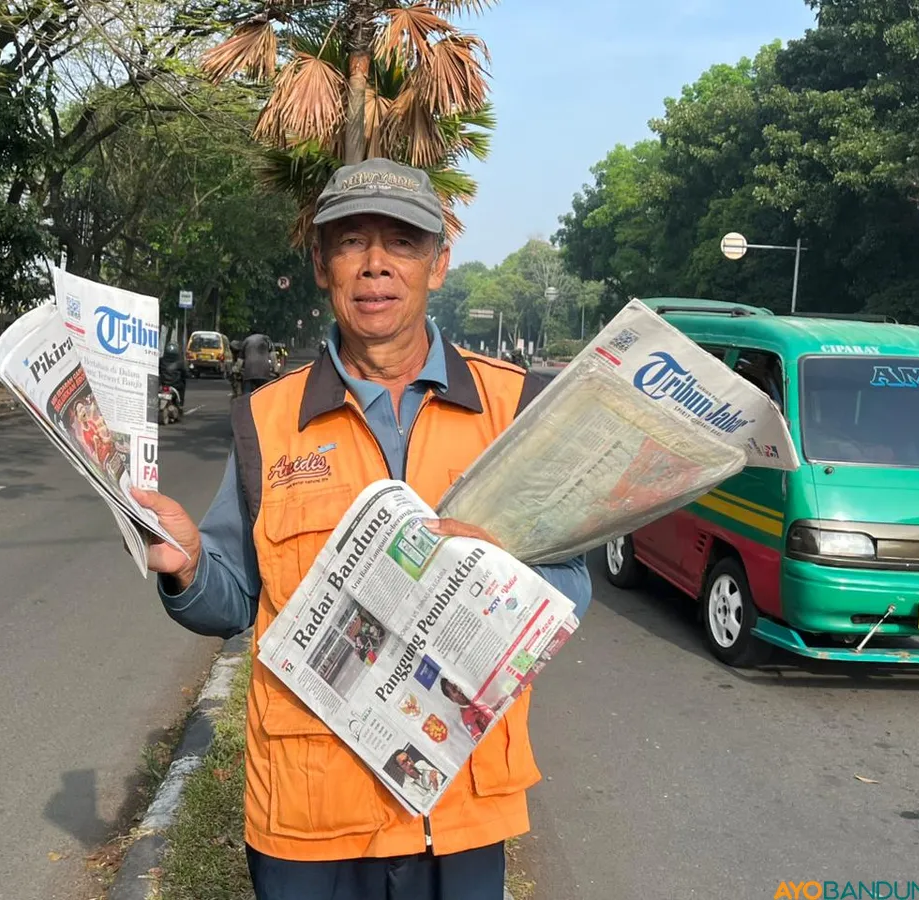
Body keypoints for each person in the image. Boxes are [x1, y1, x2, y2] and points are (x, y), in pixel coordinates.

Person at [132, 158, 592, 900]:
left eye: (402, 242)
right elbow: (232, 601)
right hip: (309, 819)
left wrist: (508, 581)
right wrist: (187, 566)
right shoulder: (266, 419)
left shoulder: (517, 409)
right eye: (350, 241)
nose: (375, 265)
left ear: (439, 263)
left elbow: (572, 584)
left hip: (460, 809)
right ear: (321, 264)